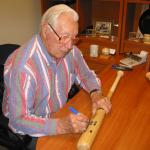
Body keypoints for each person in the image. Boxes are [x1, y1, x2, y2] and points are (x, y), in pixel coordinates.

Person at [2, 4, 111, 149]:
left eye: (73, 38)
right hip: (31, 129)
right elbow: (18, 121)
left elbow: (85, 75)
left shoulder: (71, 50)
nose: (69, 46)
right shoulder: (24, 67)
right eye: (64, 37)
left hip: (59, 113)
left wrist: (95, 93)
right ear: (46, 31)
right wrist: (60, 125)